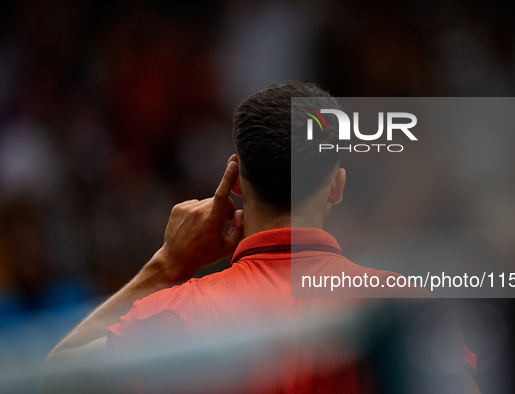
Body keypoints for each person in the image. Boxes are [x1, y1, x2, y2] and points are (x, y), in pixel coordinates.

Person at [42, 80, 479, 393]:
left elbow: (51, 377)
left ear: (234, 179)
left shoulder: (170, 317)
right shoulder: (404, 309)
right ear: (337, 184)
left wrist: (166, 267)